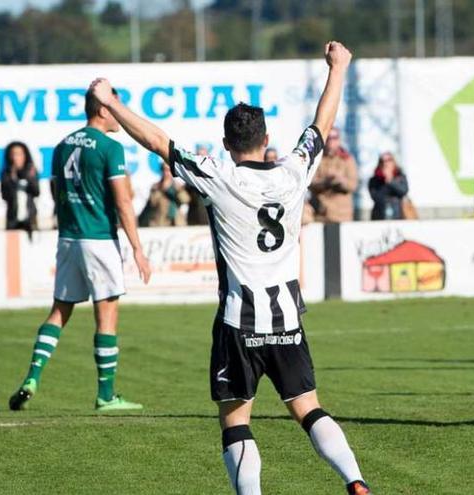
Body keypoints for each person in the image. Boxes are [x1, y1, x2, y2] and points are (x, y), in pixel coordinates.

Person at [89, 41, 372, 495]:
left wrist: (112, 102)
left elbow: (158, 141)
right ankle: (354, 479)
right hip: (287, 320)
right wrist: (338, 68)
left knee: (236, 420)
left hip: (238, 322)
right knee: (308, 407)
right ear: (267, 141)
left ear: (226, 144)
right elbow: (322, 124)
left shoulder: (217, 175)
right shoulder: (295, 170)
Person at [9, 87, 152, 412]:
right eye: (114, 106)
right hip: (99, 238)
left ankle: (32, 376)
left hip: (69, 238)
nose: (119, 113)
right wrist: (138, 248)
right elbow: (123, 201)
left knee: (59, 311)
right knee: (106, 316)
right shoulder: (109, 147)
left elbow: (55, 188)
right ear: (102, 110)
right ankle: (105, 396)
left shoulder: (62, 145)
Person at [309, 126, 357, 223]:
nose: (331, 141)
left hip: (342, 215)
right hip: (320, 215)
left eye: (334, 138)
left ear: (339, 140)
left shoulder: (347, 159)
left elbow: (353, 185)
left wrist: (340, 180)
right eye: (328, 137)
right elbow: (309, 183)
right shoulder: (317, 158)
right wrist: (326, 182)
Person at [0, 141, 40, 233]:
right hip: (13, 218)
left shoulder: (31, 171)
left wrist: (30, 178)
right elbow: (5, 196)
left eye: (19, 154)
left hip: (29, 217)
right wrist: (12, 178)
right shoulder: (6, 173)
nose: (15, 158)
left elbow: (36, 192)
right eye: (13, 154)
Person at [138, 161, 190, 227]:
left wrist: (177, 189)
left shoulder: (177, 186)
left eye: (169, 170)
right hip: (160, 223)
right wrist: (162, 188)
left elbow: (185, 200)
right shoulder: (156, 187)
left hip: (177, 222)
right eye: (165, 170)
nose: (167, 173)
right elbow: (153, 202)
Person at [368, 152, 409, 220]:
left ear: (393, 162)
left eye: (389, 160)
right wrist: (385, 180)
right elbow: (375, 197)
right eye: (382, 161)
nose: (385, 163)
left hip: (398, 214)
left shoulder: (400, 176)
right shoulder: (374, 180)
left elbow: (403, 191)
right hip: (379, 216)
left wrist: (391, 181)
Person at [184, 144, 211, 225]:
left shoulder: (214, 176)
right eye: (198, 156)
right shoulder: (189, 176)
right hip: (194, 219)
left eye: (203, 157)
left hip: (210, 219)